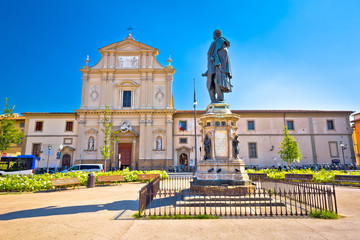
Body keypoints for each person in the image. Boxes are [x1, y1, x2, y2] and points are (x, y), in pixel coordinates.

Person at [202, 29, 232, 103]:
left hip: (218, 67)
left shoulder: (220, 41)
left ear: (216, 34)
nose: (213, 36)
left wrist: (215, 57)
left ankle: (220, 99)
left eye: (214, 34)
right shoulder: (214, 43)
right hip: (211, 68)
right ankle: (213, 100)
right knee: (209, 85)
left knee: (217, 81)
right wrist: (207, 70)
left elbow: (224, 51)